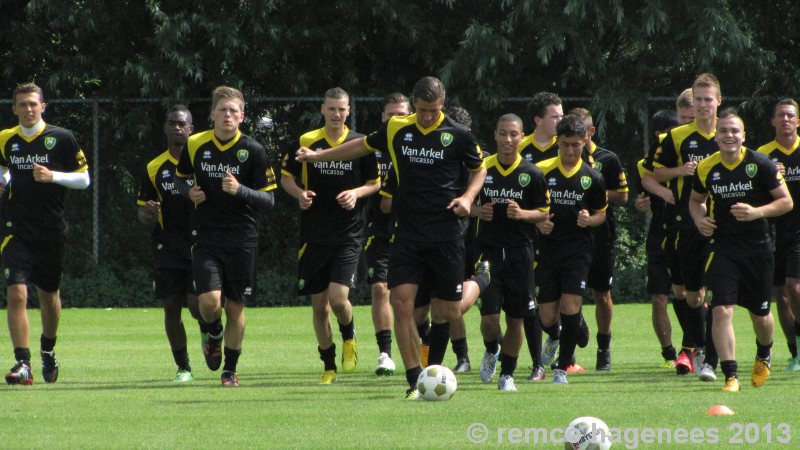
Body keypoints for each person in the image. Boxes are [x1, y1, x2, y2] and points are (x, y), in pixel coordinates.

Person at [296, 76, 486, 399]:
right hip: (408, 234)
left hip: (447, 235)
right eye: (423, 110)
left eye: (435, 111)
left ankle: (434, 370)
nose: (428, 116)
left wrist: (468, 197)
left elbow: (479, 169)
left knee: (446, 312)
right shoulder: (398, 128)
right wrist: (318, 157)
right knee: (401, 304)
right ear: (414, 105)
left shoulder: (459, 135)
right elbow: (360, 146)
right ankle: (415, 381)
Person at [175, 86, 277, 387]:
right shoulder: (195, 144)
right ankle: (213, 331)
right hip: (206, 236)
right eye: (223, 110)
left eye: (234, 111)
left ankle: (230, 371)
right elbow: (180, 179)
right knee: (209, 303)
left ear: (242, 116)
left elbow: (270, 199)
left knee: (235, 307)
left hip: (242, 239)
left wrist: (240, 190)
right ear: (212, 115)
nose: (228, 115)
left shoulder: (254, 150)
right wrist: (187, 192)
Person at [281, 87, 380, 384]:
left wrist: (355, 193)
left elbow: (374, 183)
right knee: (319, 305)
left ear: (349, 110)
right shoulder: (306, 142)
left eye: (342, 109)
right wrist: (300, 194)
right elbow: (286, 176)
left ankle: (349, 335)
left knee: (338, 299)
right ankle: (329, 366)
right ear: (322, 109)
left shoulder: (360, 144)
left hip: (349, 233)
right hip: (314, 234)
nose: (337, 114)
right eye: (332, 108)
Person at [689, 109, 792, 391]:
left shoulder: (760, 164)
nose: (729, 136)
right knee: (721, 310)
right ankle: (731, 376)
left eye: (734, 131)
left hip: (758, 250)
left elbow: (786, 202)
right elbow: (695, 200)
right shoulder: (706, 167)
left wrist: (757, 212)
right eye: (723, 131)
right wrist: (700, 220)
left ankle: (764, 352)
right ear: (716, 136)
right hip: (722, 249)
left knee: (761, 315)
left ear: (743, 136)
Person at [1, 82, 90, 385]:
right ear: (13, 108)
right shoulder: (5, 140)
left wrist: (53, 176)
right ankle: (22, 362)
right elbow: (3, 171)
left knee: (49, 296)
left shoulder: (61, 138)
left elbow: (84, 180)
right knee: (16, 291)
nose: (27, 109)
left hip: (51, 230)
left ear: (43, 106)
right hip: (15, 229)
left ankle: (48, 349)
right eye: (22, 104)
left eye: (32, 104)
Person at [471, 114, 549, 391]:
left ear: (521, 136)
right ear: (494, 135)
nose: (507, 140)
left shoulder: (533, 174)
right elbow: (460, 202)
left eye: (513, 134)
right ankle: (492, 349)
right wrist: (477, 210)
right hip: (487, 254)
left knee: (516, 318)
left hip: (520, 253)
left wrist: (523, 213)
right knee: (490, 320)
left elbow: (544, 211)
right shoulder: (481, 169)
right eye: (502, 133)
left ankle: (508, 374)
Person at [654, 73, 723, 382]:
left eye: (709, 99)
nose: (704, 105)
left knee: (720, 291)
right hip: (685, 223)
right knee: (688, 295)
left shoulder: (730, 133)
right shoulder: (678, 137)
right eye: (699, 99)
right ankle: (696, 347)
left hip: (722, 225)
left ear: (719, 101)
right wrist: (680, 170)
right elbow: (657, 173)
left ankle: (709, 354)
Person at [534, 114, 607, 384]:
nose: (570, 151)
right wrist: (539, 223)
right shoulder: (541, 171)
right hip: (548, 249)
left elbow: (601, 215)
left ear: (584, 142)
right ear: (557, 142)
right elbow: (531, 210)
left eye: (576, 145)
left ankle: (562, 368)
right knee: (547, 314)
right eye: (565, 144)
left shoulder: (593, 177)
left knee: (570, 303)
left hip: (578, 249)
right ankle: (556, 334)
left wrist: (590, 220)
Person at [137, 105, 205, 382]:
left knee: (196, 305)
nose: (177, 128)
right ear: (165, 128)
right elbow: (141, 213)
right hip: (168, 245)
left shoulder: (204, 161)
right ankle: (184, 367)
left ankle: (209, 328)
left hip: (201, 243)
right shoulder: (155, 167)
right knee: (171, 307)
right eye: (172, 124)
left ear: (191, 129)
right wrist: (148, 212)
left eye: (182, 124)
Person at [569, 108, 628, 371]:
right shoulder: (560, 159)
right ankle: (571, 342)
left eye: (580, 134)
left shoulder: (608, 159)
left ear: (590, 132)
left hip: (601, 235)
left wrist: (597, 189)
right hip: (569, 237)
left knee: (602, 293)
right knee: (568, 292)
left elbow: (623, 195)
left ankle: (604, 347)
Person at [362, 92, 411, 376]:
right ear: (383, 117)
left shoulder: (418, 145)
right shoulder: (373, 146)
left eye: (402, 115)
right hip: (379, 229)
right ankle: (385, 354)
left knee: (413, 296)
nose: (396, 120)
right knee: (381, 288)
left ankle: (425, 348)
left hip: (414, 229)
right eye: (391, 115)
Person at [518, 91, 564, 381]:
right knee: (530, 297)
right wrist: (536, 222)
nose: (561, 120)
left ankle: (566, 332)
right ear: (538, 120)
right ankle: (539, 362)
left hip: (565, 236)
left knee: (563, 295)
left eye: (562, 115)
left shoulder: (569, 146)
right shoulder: (521, 148)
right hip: (531, 234)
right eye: (555, 116)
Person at [633, 109, 684, 368]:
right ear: (656, 135)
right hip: (658, 236)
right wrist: (642, 203)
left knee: (688, 294)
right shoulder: (645, 164)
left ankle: (693, 346)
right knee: (659, 297)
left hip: (685, 233)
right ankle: (668, 353)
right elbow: (643, 193)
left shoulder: (688, 160)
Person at [756, 98, 800, 371]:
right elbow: (754, 193)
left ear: (798, 121)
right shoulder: (763, 154)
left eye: (790, 115)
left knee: (795, 286)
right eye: (780, 115)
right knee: (781, 294)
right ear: (772, 121)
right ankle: (794, 352)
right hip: (772, 232)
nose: (785, 119)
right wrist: (773, 178)